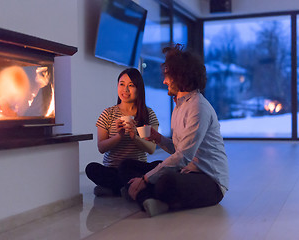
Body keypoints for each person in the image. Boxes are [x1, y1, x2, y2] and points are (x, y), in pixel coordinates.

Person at [118, 44, 229, 217]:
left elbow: (183, 156)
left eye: (167, 76)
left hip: (209, 181)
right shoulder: (179, 105)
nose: (164, 81)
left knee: (165, 181)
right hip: (185, 171)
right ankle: (150, 199)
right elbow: (180, 150)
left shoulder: (198, 107)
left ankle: (141, 193)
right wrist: (158, 138)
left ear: (180, 76)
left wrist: (146, 179)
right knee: (127, 165)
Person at [85, 68, 159, 197]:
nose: (125, 90)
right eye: (122, 84)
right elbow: (101, 147)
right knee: (91, 168)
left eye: (131, 85)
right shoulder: (108, 114)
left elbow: (151, 149)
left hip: (136, 168)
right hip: (113, 169)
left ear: (139, 89)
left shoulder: (146, 114)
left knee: (159, 165)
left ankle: (115, 189)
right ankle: (128, 186)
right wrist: (119, 136)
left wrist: (134, 137)